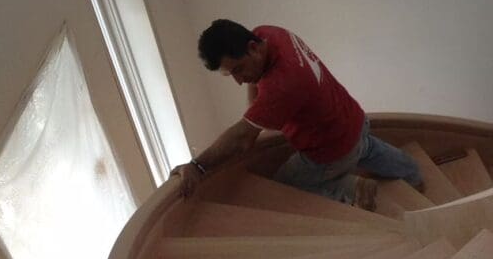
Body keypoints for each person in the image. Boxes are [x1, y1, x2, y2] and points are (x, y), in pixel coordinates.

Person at [169, 20, 423, 211]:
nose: (238, 80)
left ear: (253, 48)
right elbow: (257, 91)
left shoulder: (283, 84)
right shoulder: (269, 33)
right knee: (363, 146)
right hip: (354, 119)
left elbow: (242, 139)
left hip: (330, 152)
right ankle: (412, 173)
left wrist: (197, 166)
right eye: (230, 74)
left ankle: (352, 191)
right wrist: (255, 109)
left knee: (283, 188)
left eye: (238, 70)